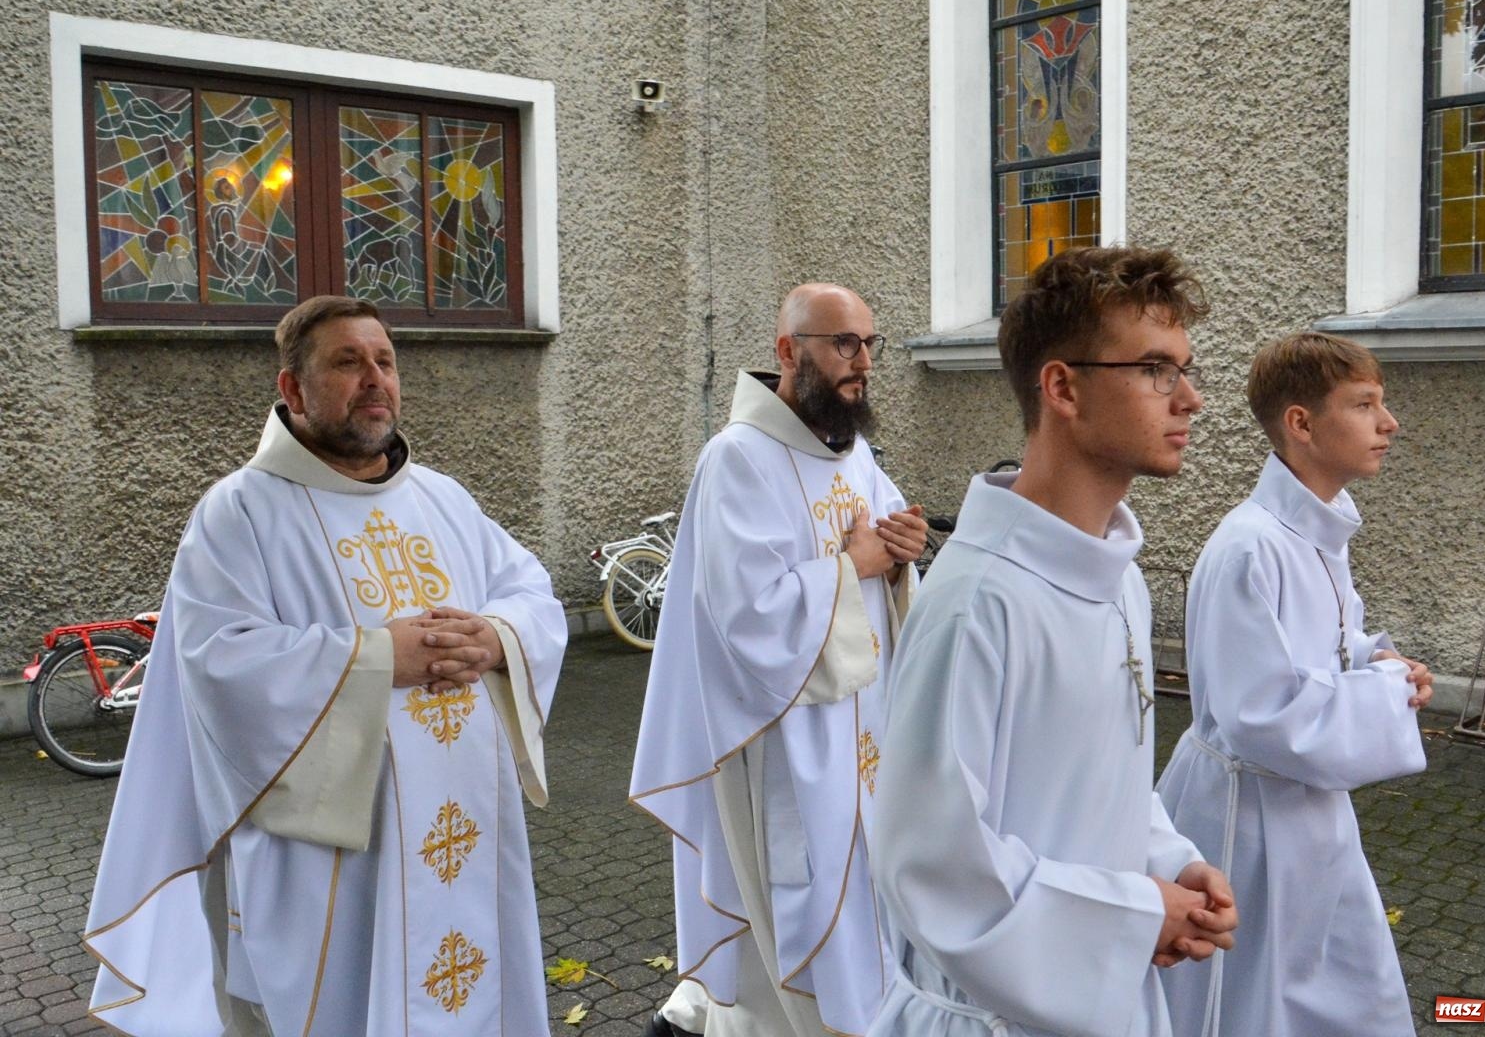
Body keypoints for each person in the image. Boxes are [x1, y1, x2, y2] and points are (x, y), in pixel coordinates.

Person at [83, 296, 567, 1036]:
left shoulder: (442, 498)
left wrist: (500, 639)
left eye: (385, 361)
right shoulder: (239, 512)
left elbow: (530, 590)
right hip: (336, 857)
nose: (375, 379)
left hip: (465, 826)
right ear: (293, 390)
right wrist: (378, 661)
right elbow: (222, 664)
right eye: (348, 362)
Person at [868, 247, 1238, 1037]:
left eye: (1185, 369)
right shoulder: (978, 602)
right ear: (1063, 387)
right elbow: (933, 864)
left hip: (1107, 997)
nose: (1192, 399)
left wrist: (1167, 864)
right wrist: (1140, 915)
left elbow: (1093, 784)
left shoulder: (1119, 579)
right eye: (1157, 370)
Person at [631, 283, 928, 1037]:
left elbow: (884, 563)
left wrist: (899, 561)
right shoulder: (737, 460)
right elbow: (749, 615)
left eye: (869, 343)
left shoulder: (854, 456)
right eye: (843, 344)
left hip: (863, 734)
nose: (861, 361)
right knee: (795, 908)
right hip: (784, 741)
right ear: (788, 351)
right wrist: (853, 566)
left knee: (866, 895)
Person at [1157, 331, 1432, 1037]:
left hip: (1309, 813)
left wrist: (1381, 663)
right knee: (1250, 1001)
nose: (1388, 423)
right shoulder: (1251, 546)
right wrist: (1387, 695)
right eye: (1365, 404)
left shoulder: (1315, 534)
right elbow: (1261, 713)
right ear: (1301, 424)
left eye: (1383, 403)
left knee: (1345, 987)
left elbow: (1327, 649)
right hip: (1247, 822)